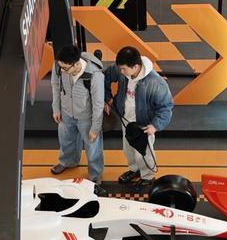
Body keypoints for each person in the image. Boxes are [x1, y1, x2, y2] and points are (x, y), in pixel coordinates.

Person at [104, 46, 173, 187]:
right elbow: (105, 76)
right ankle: (134, 170)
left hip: (144, 124)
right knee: (128, 150)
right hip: (126, 119)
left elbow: (166, 107)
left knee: (143, 152)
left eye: (123, 69)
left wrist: (155, 126)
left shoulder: (156, 82)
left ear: (135, 66)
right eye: (120, 68)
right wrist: (108, 98)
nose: (120, 72)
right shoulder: (122, 68)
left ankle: (148, 176)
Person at [50, 45, 105, 185]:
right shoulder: (59, 66)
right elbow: (55, 85)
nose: (62, 71)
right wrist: (56, 108)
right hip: (66, 112)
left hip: (86, 117)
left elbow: (98, 104)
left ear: (76, 64)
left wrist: (95, 128)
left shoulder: (94, 75)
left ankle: (95, 174)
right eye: (60, 67)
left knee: (92, 146)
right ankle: (68, 162)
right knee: (66, 140)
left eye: (65, 68)